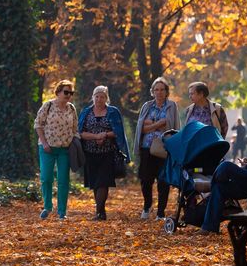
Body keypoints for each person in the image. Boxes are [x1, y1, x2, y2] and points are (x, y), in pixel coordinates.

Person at [78, 85, 129, 220]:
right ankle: (101, 211)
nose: (99, 99)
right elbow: (80, 133)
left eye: (102, 97)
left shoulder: (113, 112)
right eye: (97, 96)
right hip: (90, 153)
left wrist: (105, 135)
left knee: (103, 182)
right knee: (95, 183)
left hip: (108, 153)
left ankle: (100, 212)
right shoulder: (86, 112)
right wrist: (96, 137)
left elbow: (118, 132)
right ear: (93, 97)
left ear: (106, 98)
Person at [135, 77, 179, 220]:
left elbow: (172, 127)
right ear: (152, 92)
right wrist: (159, 123)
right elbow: (142, 128)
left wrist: (151, 124)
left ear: (166, 92)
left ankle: (161, 212)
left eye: (162, 89)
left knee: (163, 181)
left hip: (164, 149)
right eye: (156, 90)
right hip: (147, 148)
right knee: (145, 180)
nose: (159, 92)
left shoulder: (172, 106)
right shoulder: (147, 106)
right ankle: (147, 205)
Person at [34, 79, 79, 220]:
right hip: (47, 148)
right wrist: (45, 143)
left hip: (64, 149)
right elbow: (38, 125)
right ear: (58, 92)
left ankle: (62, 211)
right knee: (46, 178)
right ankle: (47, 206)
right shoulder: (47, 106)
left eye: (71, 93)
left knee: (63, 180)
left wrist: (74, 142)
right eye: (66, 92)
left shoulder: (71, 108)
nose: (68, 95)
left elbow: (75, 129)